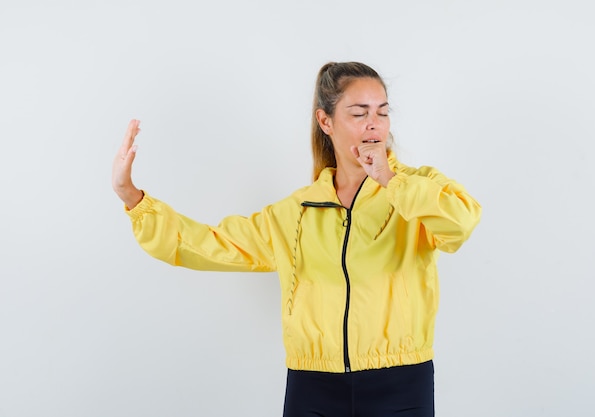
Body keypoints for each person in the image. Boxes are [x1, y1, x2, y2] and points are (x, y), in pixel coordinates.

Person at [112, 61, 481, 417]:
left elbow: (459, 224)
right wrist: (133, 197)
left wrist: (391, 180)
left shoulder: (417, 188)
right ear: (326, 121)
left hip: (400, 383)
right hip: (313, 387)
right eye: (359, 113)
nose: (374, 126)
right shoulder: (297, 211)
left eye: (382, 112)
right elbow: (210, 244)